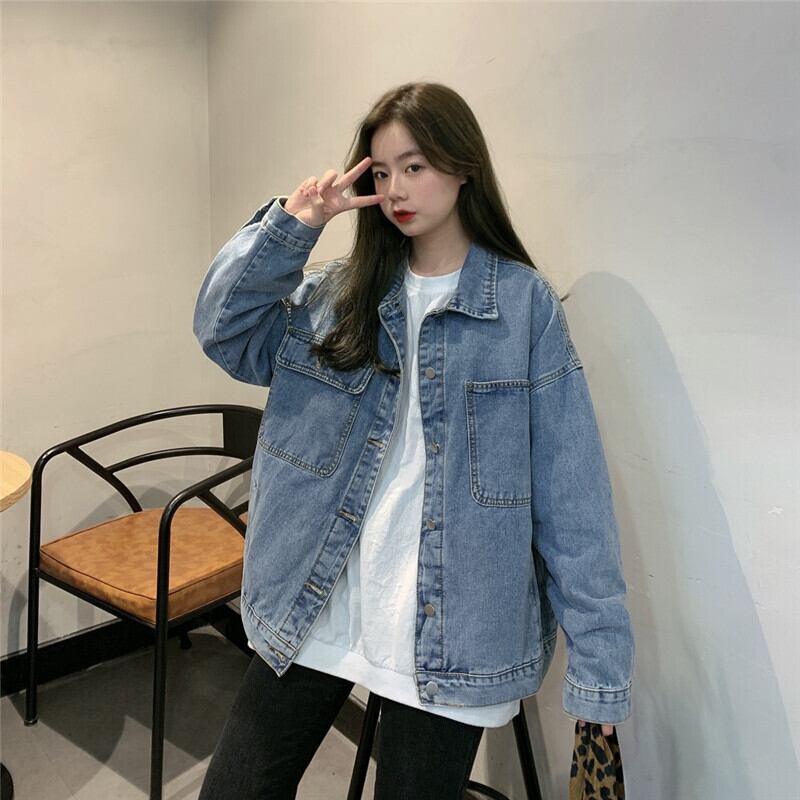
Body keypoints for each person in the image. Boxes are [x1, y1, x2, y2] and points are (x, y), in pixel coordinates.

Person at [192, 81, 634, 799]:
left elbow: (572, 496)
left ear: (463, 168)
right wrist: (294, 226)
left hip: (455, 632)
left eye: (416, 166)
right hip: (314, 605)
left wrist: (599, 670)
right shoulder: (335, 296)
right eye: (382, 170)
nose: (396, 188)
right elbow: (225, 333)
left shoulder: (522, 308)